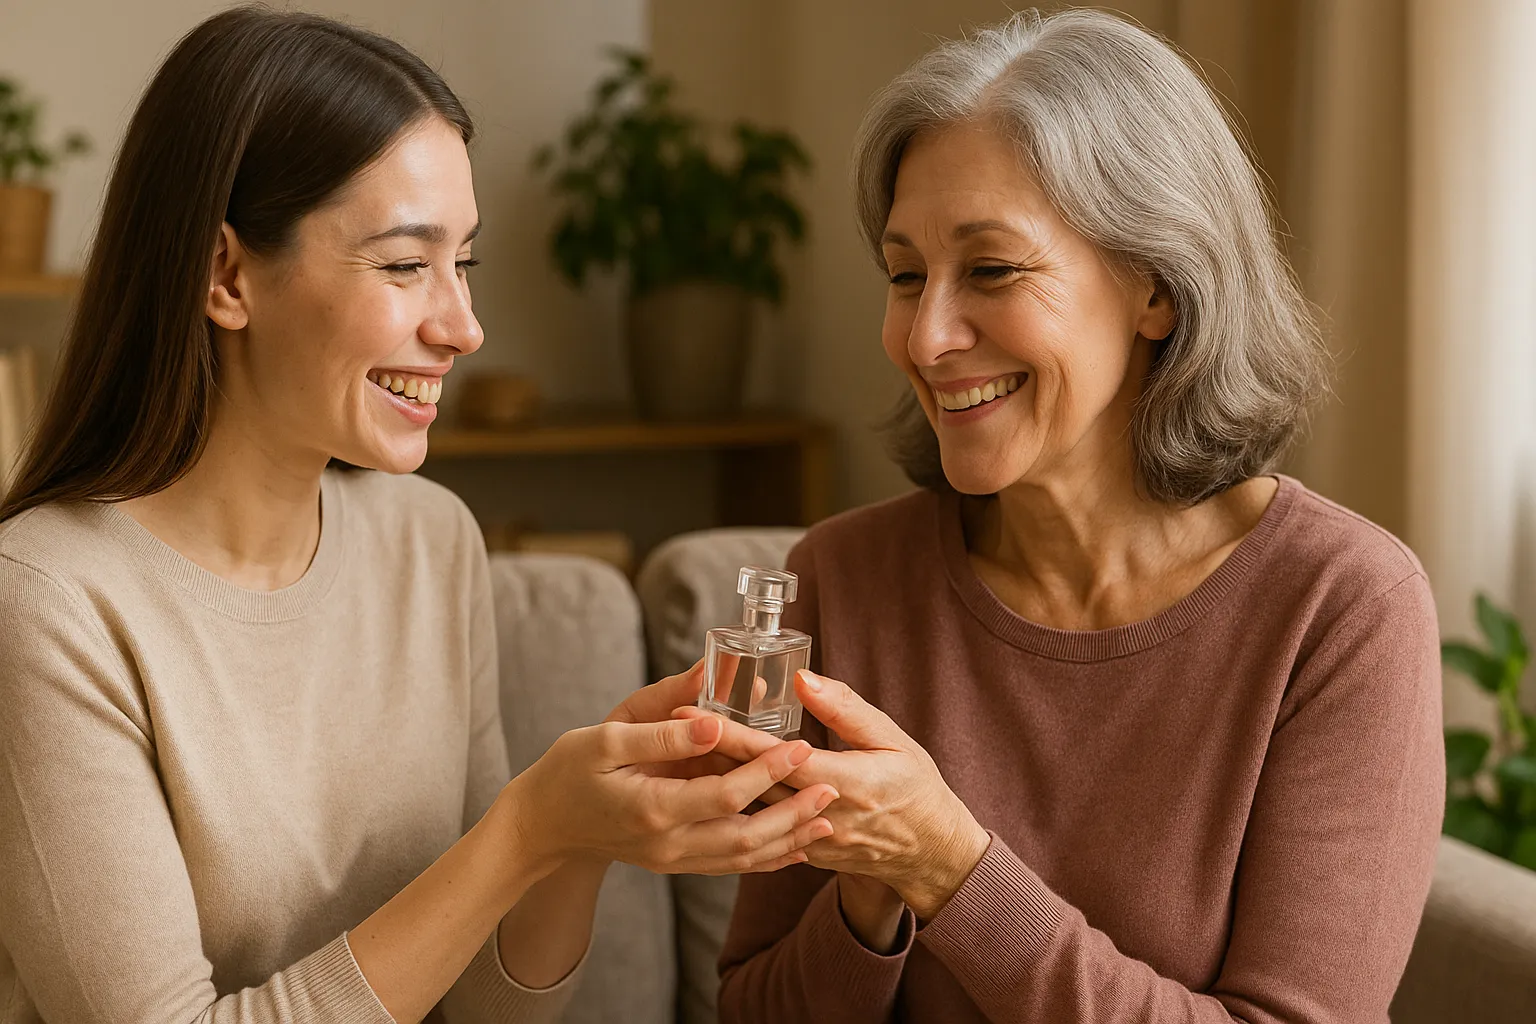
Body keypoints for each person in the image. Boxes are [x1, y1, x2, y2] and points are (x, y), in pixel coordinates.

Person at [0, 9, 837, 1024]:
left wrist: (576, 837)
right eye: (405, 265)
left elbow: (491, 1011)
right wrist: (524, 829)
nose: (462, 325)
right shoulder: (44, 599)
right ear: (227, 276)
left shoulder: (429, 540)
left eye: (464, 263)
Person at [713, 9, 1444, 1024]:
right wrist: (871, 884)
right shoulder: (844, 578)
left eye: (993, 269)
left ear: (1155, 283)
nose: (926, 337)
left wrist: (952, 869)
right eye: (905, 274)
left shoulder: (1340, 607)